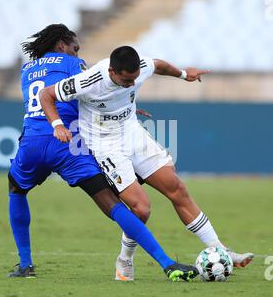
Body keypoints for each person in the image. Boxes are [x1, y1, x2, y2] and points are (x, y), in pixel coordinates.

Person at [39, 45, 254, 281]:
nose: (132, 84)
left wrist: (184, 75)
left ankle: (222, 250)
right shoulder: (89, 81)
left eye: (134, 79)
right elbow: (46, 95)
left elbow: (159, 64)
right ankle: (124, 260)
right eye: (126, 80)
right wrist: (57, 125)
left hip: (132, 133)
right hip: (105, 144)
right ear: (112, 71)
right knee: (141, 208)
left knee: (177, 189)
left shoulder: (140, 67)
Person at [8, 24, 198, 282]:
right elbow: (92, 94)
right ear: (62, 45)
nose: (77, 52)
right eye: (75, 48)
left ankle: (25, 264)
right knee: (113, 204)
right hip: (68, 143)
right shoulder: (74, 65)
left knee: (17, 190)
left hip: (32, 142)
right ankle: (166, 263)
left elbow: (45, 100)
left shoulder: (26, 69)